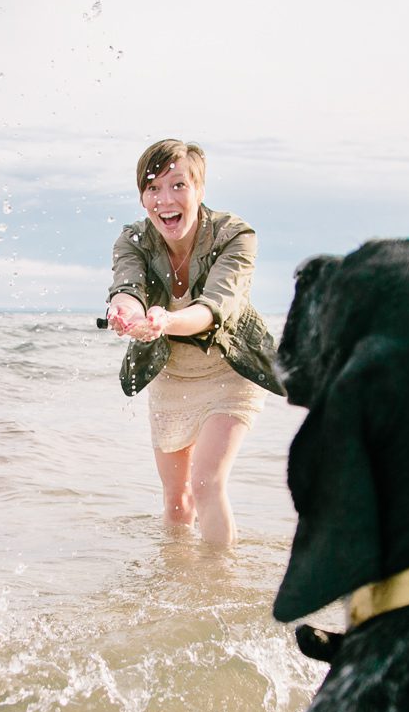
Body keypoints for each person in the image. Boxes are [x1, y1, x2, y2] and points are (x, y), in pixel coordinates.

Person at [105, 139, 285, 547]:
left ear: (200, 189)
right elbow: (126, 287)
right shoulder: (133, 240)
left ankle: (219, 584)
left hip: (230, 371)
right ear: (142, 197)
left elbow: (213, 309)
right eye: (152, 188)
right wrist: (127, 312)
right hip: (172, 376)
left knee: (205, 482)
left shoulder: (236, 236)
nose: (165, 199)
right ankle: (179, 585)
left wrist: (165, 319)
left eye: (178, 185)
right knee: (176, 501)